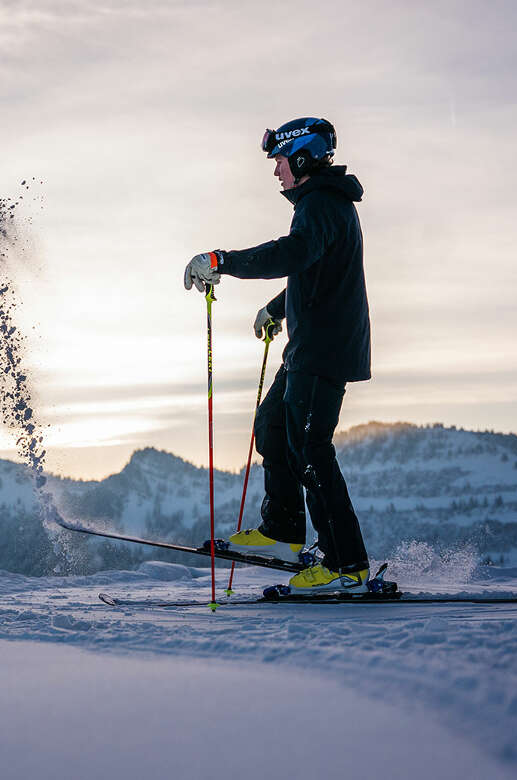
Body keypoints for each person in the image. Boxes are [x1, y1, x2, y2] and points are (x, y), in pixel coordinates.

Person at [183, 117, 371, 593]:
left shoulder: (322, 205)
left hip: (324, 351)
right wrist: (275, 309)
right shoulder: (320, 204)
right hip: (308, 346)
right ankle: (283, 533)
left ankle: (346, 564)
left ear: (303, 158)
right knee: (271, 426)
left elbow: (290, 255)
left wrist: (222, 261)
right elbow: (313, 271)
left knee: (311, 451)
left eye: (281, 161)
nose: (276, 172)